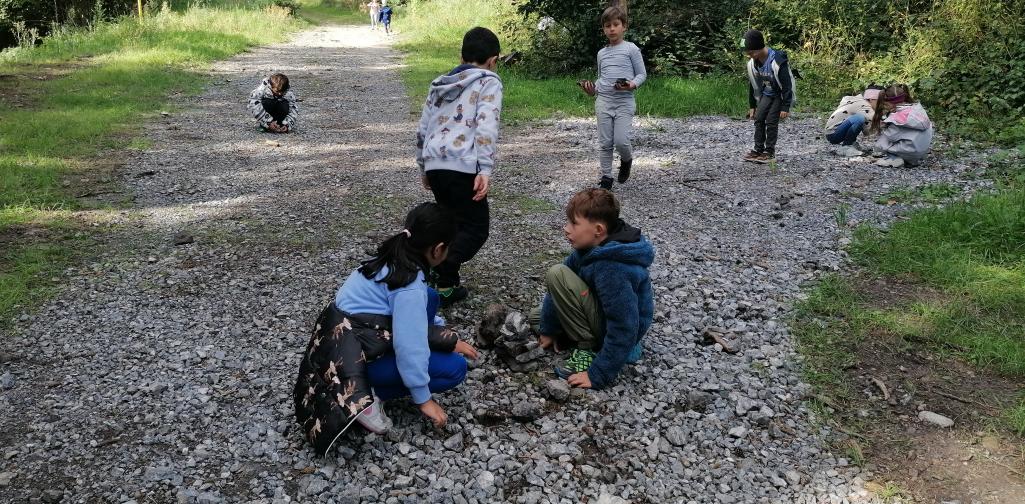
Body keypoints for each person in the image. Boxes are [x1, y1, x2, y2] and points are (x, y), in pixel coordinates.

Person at [293, 203, 479, 455]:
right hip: (350, 363)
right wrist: (423, 398)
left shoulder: (395, 256)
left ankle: (371, 384)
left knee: (431, 296)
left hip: (338, 345)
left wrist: (444, 336)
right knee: (453, 369)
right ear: (438, 249)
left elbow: (407, 319)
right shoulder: (410, 287)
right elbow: (408, 346)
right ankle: (367, 398)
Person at [530, 189, 655, 390]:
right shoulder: (590, 246)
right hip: (599, 313)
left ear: (598, 229)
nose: (566, 228)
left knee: (556, 273)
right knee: (537, 317)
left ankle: (588, 349)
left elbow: (625, 324)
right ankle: (576, 337)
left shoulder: (613, 267)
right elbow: (558, 292)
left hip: (616, 328)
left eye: (574, 223)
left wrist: (598, 374)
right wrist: (549, 330)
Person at [415, 27, 503, 307]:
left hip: (436, 163)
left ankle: (446, 285)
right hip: (463, 164)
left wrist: (423, 166)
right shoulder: (489, 81)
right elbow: (486, 125)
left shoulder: (439, 83)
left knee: (451, 222)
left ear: (461, 56)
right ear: (494, 60)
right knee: (476, 228)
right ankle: (437, 266)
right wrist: (485, 169)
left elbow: (424, 127)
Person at [577, 5, 646, 190]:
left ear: (624, 26)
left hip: (624, 102)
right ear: (604, 29)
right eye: (608, 26)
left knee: (621, 141)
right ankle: (606, 177)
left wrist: (632, 84)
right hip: (604, 102)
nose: (612, 29)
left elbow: (642, 74)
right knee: (605, 142)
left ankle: (626, 159)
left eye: (616, 24)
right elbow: (602, 79)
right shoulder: (602, 53)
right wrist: (591, 89)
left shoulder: (631, 49)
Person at [742, 29, 796, 164]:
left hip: (779, 95)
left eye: (752, 52)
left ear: (760, 48)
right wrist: (752, 106)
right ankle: (758, 149)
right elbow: (753, 85)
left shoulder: (777, 60)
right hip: (767, 93)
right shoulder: (753, 63)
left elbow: (787, 85)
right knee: (759, 119)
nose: (750, 56)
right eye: (748, 53)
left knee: (771, 121)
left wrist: (786, 106)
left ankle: (769, 152)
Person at [870, 84, 933, 167]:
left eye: (886, 105)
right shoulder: (917, 108)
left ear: (890, 103)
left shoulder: (897, 117)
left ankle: (894, 158)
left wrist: (878, 148)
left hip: (909, 151)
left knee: (884, 141)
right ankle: (912, 160)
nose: (886, 108)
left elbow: (890, 137)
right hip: (921, 150)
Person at [825, 86, 882, 157]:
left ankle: (851, 143)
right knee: (859, 118)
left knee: (860, 118)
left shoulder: (858, 102)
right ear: (871, 99)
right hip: (834, 134)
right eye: (880, 101)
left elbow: (867, 130)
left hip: (832, 132)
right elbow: (877, 121)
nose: (881, 105)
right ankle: (847, 146)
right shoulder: (864, 105)